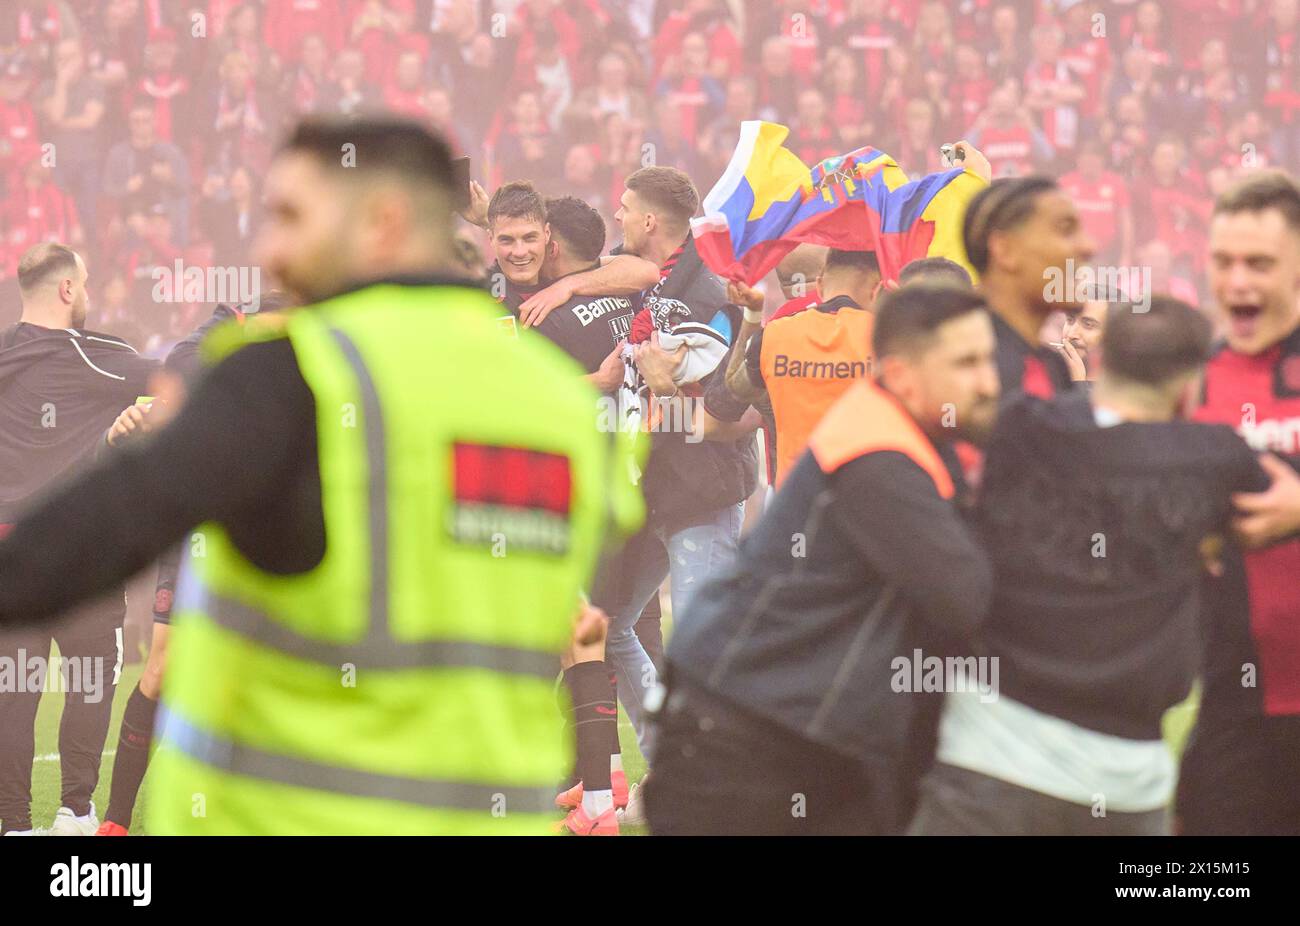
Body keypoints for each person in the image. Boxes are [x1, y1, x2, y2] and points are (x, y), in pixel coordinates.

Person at [0, 116, 641, 835]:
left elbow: (85, 538)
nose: (271, 248)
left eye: (292, 218)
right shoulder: (554, 398)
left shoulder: (292, 373)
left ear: (382, 222)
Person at [910, 296, 1270, 836]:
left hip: (988, 755)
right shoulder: (1220, 460)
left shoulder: (1021, 427)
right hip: (1126, 782)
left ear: (1102, 359)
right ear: (1188, 384)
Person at [646, 284, 999, 836]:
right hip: (742, 746)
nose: (989, 383)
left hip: (795, 734)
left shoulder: (907, 436)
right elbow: (967, 598)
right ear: (905, 374)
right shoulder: (879, 454)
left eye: (990, 360)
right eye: (968, 364)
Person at [0, 243, 153, 836]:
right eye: (84, 284)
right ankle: (75, 812)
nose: (87, 295)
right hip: (81, 552)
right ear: (67, 290)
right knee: (92, 680)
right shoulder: (100, 359)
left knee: (14, 692)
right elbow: (187, 375)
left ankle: (13, 824)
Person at [1178, 170, 1300, 835]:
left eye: (1260, 263)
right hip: (1235, 705)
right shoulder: (1192, 380)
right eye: (1223, 262)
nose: (1237, 282)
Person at [711, 249, 881, 487]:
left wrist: (752, 316)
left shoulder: (774, 335)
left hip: (795, 500)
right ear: (877, 291)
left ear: (820, 285)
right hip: (867, 494)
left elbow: (735, 390)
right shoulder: (888, 340)